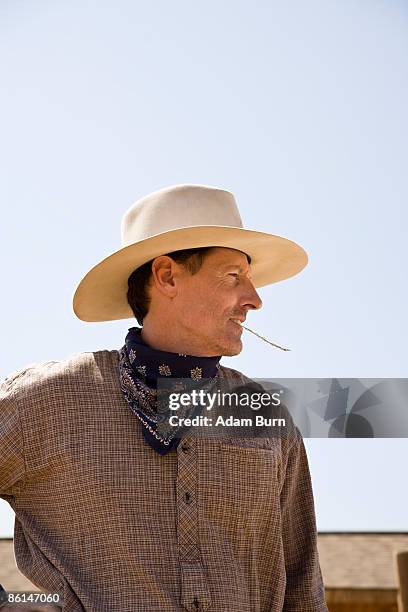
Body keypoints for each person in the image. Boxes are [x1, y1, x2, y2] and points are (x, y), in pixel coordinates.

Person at [0, 184, 328, 611]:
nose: (254, 299)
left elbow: (303, 589)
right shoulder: (47, 400)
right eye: (233, 276)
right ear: (168, 277)